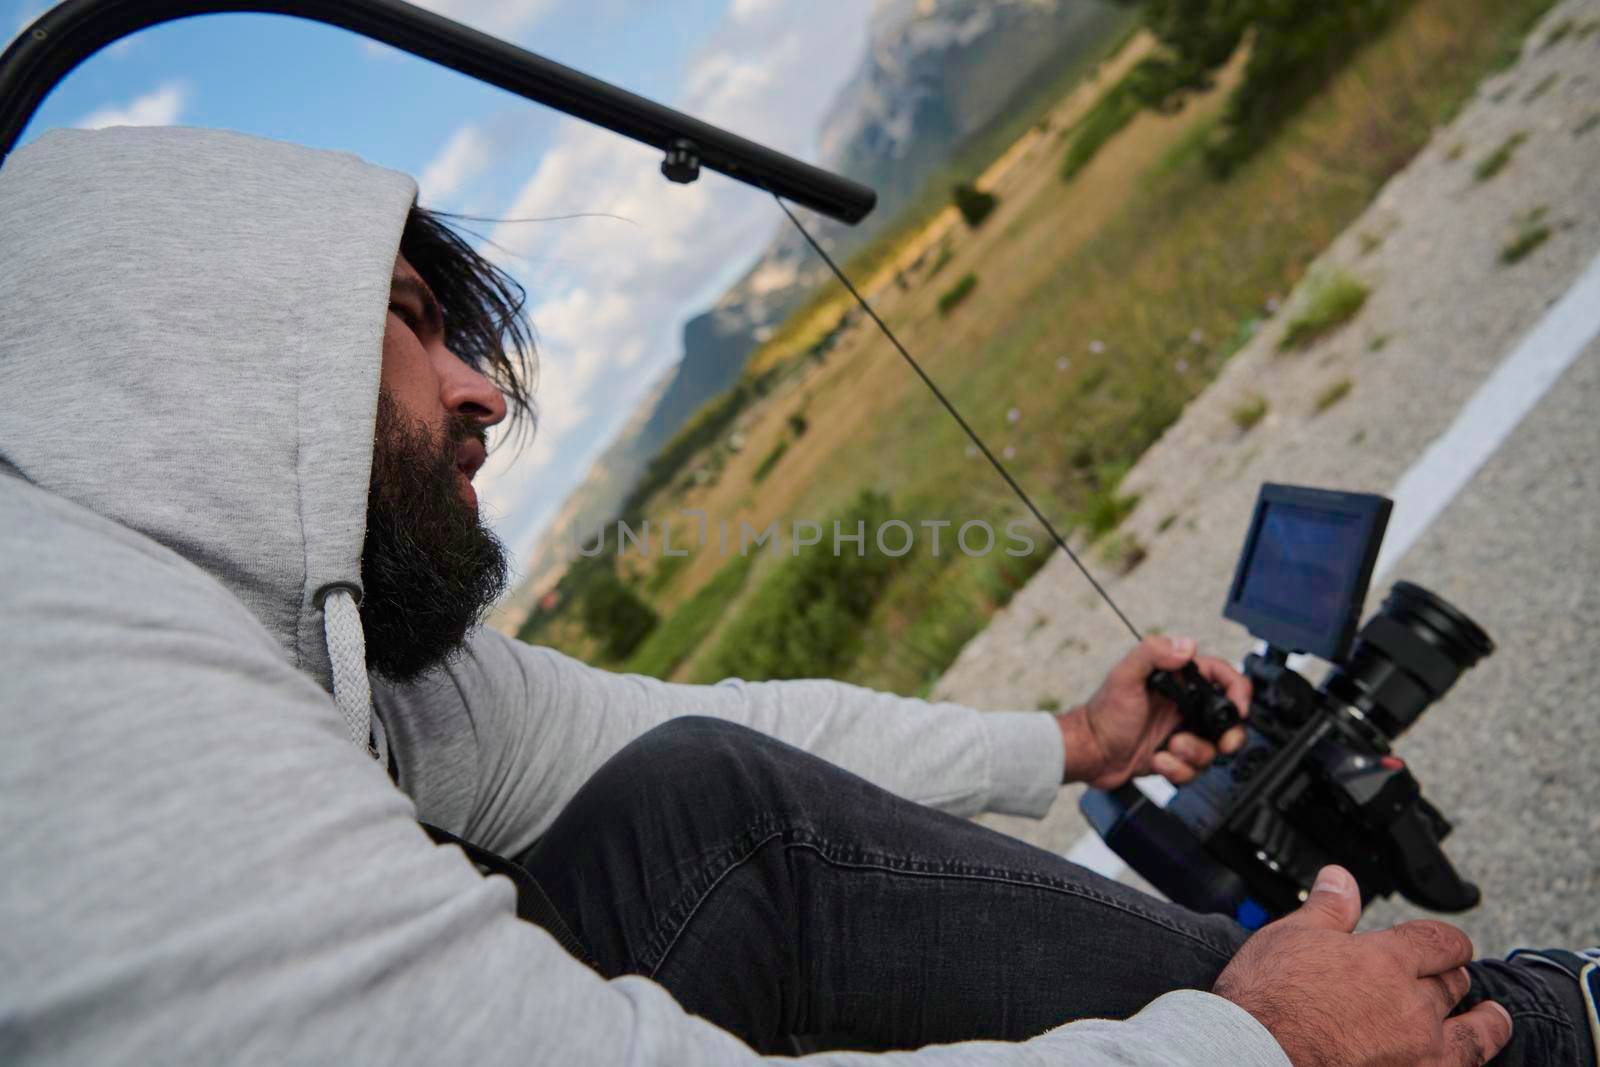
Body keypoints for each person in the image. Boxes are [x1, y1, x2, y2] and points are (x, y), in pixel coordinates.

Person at [1, 126, 1593, 1067]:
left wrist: (1071, 745)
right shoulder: (59, 699)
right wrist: (1252, 1049)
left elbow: (701, 726)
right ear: (203, 363)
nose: (481, 388)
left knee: (700, 797)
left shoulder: (318, 634)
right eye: (413, 324)